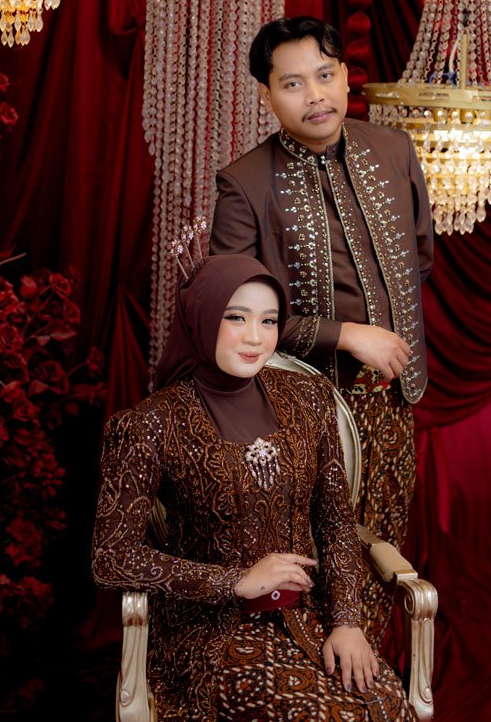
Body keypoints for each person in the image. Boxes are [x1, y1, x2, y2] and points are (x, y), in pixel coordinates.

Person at [92, 254, 414, 721]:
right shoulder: (150, 425)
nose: (255, 338)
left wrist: (347, 622)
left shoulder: (309, 398)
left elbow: (336, 523)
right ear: (202, 318)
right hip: (212, 635)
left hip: (310, 617)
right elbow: (112, 557)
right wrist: (237, 581)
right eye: (236, 318)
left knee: (388, 705)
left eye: (268, 321)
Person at [209, 17, 433, 643]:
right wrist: (347, 334)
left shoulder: (394, 150)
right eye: (293, 83)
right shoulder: (245, 182)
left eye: (325, 75)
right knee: (312, 562)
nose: (316, 96)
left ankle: (371, 675)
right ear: (266, 95)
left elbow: (419, 260)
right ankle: (314, 675)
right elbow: (230, 315)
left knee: (382, 552)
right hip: (301, 414)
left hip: (392, 402)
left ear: (345, 76)